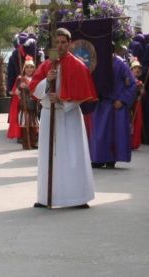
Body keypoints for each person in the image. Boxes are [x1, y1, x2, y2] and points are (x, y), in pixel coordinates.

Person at [29, 28, 97, 208]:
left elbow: (83, 95)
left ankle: (77, 197)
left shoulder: (77, 65)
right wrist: (46, 80)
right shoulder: (46, 66)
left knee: (72, 156)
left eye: (63, 42)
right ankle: (46, 197)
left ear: (69, 43)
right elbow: (34, 89)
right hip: (48, 113)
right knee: (47, 156)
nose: (59, 46)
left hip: (68, 116)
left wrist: (62, 100)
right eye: (56, 43)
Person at [89, 44, 137, 168]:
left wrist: (122, 100)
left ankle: (111, 159)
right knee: (99, 134)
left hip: (116, 105)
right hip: (100, 104)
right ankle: (98, 158)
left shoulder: (121, 65)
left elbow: (132, 84)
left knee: (114, 134)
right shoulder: (97, 64)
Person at [7, 56, 39, 149]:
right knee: (25, 126)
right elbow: (15, 93)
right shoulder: (20, 79)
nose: (29, 69)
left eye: (31, 67)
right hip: (24, 105)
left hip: (34, 106)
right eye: (28, 67)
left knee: (34, 125)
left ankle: (33, 143)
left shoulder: (35, 78)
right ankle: (26, 144)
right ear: (24, 68)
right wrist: (20, 87)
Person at [129, 58, 144, 150]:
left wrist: (141, 90)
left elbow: (142, 92)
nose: (137, 70)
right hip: (130, 104)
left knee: (137, 122)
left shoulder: (139, 81)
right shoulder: (129, 80)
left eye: (139, 68)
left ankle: (134, 142)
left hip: (137, 104)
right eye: (135, 68)